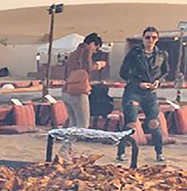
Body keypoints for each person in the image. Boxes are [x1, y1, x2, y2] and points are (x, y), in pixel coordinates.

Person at [117, 26, 170, 163]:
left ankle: (159, 153)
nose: (150, 40)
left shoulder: (161, 54)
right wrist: (137, 83)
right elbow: (123, 72)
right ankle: (121, 152)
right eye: (147, 37)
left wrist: (159, 81)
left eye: (153, 37)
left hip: (150, 93)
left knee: (154, 123)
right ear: (143, 38)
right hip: (133, 92)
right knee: (131, 123)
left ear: (157, 39)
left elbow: (165, 71)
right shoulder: (134, 53)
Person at [62, 32, 105, 128]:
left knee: (72, 123)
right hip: (78, 91)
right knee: (83, 124)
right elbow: (87, 67)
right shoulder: (86, 50)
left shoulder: (75, 52)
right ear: (93, 44)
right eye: (96, 48)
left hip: (67, 90)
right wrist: (98, 65)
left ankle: (67, 142)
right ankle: (70, 142)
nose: (95, 52)